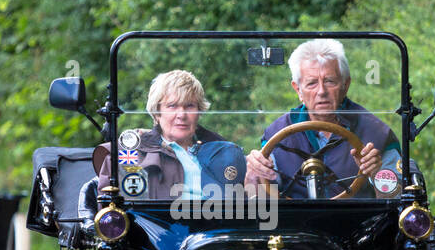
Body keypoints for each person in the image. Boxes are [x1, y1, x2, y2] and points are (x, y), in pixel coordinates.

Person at [244, 38, 404, 197]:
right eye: (312, 83)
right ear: (298, 89)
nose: (321, 91)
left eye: (330, 81)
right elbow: (257, 202)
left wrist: (376, 173)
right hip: (295, 222)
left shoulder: (377, 134)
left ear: (345, 85)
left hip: (361, 221)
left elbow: (397, 202)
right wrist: (254, 173)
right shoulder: (276, 135)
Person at [93, 70, 245, 199]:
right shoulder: (129, 154)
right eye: (172, 106)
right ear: (156, 113)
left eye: (190, 106)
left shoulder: (223, 152)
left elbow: (243, 207)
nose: (182, 114)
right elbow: (113, 218)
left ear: (199, 112)